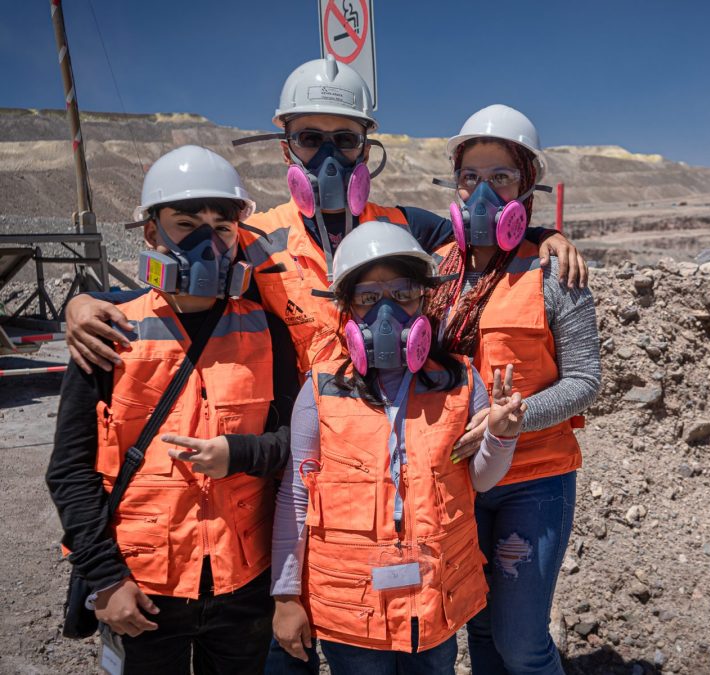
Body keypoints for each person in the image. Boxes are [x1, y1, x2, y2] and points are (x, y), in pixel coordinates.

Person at [62, 56, 588, 380]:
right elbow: (185, 281)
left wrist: (546, 234)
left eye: (346, 140)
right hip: (301, 437)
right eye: (311, 139)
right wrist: (87, 301)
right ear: (286, 149)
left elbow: (489, 236)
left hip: (389, 423)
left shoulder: (407, 227)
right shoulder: (257, 237)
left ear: (366, 147)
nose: (330, 157)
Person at [46, 146, 299, 674]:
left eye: (223, 229)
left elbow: (295, 444)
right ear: (151, 234)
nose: (209, 242)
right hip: (143, 588)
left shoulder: (267, 331)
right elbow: (70, 470)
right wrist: (107, 581)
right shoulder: (108, 334)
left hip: (241, 585)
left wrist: (241, 453)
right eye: (186, 224)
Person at [270, 221, 526, 673]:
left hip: (433, 601)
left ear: (424, 299)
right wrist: (286, 595)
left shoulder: (462, 381)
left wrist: (501, 434)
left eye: (404, 294)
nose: (387, 312)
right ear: (347, 309)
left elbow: (480, 480)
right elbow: (296, 492)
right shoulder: (320, 388)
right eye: (369, 298)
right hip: (353, 608)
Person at [425, 105, 601, 674]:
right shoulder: (432, 271)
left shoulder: (555, 273)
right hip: (460, 477)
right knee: (478, 625)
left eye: (500, 177)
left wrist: (516, 417)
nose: (482, 192)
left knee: (522, 642)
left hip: (534, 481)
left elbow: (585, 381)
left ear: (526, 190)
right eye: (470, 177)